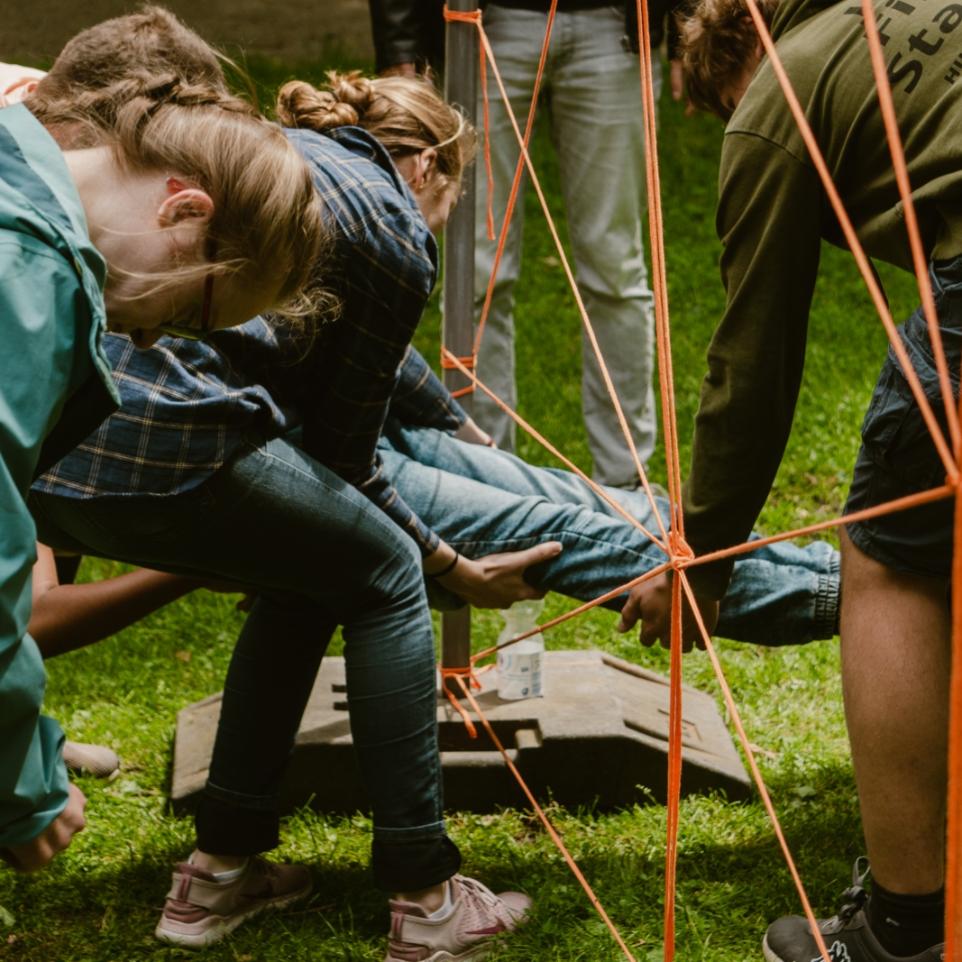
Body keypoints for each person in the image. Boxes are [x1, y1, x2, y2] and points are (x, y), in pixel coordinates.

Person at [32, 69, 541, 961]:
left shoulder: (291, 158)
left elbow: (374, 362)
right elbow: (350, 460)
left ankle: (220, 872)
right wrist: (450, 567)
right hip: (163, 437)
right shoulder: (392, 226)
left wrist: (461, 424)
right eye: (451, 202)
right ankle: (426, 898)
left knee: (311, 565)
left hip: (54, 445)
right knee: (380, 570)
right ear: (426, 168)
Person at [621, 0, 959, 958]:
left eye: (714, 108)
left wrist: (705, 554)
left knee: (893, 548)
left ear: (730, 61)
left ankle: (903, 929)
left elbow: (754, 361)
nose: (731, 126)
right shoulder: (902, 18)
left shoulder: (775, 96)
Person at [0, 16, 325, 878]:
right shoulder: (29, 277)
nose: (148, 344)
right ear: (184, 208)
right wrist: (23, 785)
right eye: (184, 314)